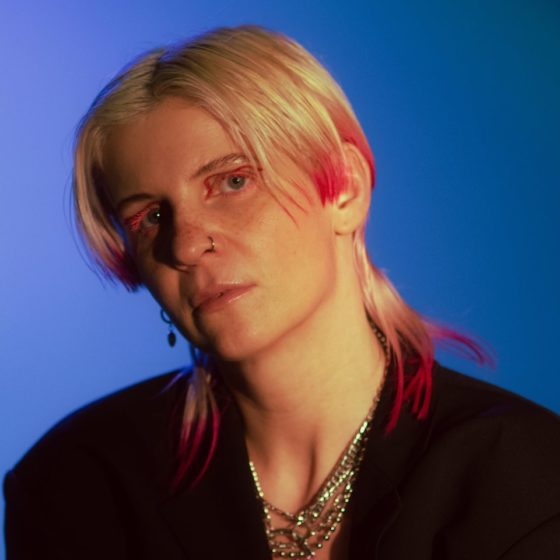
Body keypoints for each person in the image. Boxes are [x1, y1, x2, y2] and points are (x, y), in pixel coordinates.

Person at [4, 25, 560, 560]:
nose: (187, 244)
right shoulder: (76, 483)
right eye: (149, 217)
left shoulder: (523, 476)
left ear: (345, 189)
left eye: (233, 181)